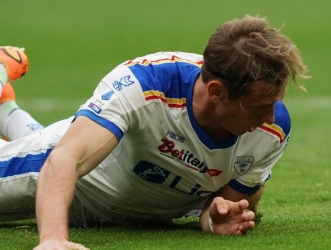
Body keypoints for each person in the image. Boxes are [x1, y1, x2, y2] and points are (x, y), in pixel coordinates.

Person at [0, 15, 308, 250]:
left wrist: (216, 220)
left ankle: (6, 109)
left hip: (142, 213)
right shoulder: (144, 83)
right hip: (71, 182)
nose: (269, 117)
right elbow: (65, 158)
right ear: (217, 92)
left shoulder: (273, 129)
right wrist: (53, 240)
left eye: (275, 103)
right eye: (258, 106)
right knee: (49, 146)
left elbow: (217, 209)